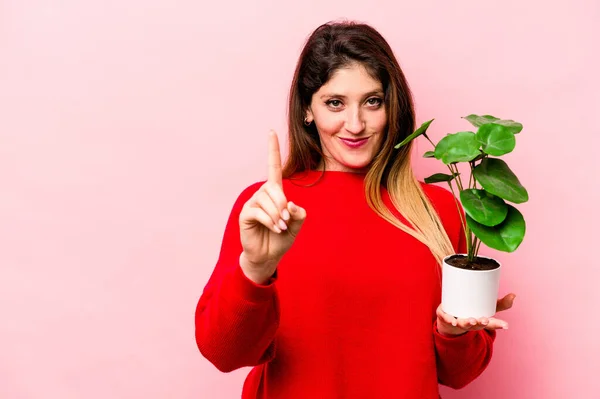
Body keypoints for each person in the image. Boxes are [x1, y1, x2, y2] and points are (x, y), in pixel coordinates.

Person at [195, 20, 516, 399]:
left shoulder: (438, 209)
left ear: (391, 106)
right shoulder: (269, 208)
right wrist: (255, 270)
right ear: (307, 111)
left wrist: (454, 334)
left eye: (372, 101)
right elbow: (224, 354)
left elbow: (459, 374)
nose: (356, 124)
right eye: (335, 103)